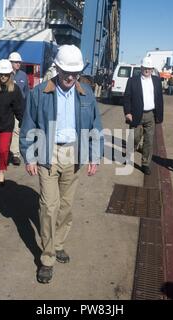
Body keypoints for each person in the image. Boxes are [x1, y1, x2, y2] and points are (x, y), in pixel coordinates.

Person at [20, 44, 103, 284]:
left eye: (75, 72)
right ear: (56, 68)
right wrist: (29, 156)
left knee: (66, 206)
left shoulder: (86, 93)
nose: (70, 77)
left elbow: (95, 127)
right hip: (48, 152)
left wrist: (94, 156)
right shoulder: (39, 93)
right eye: (66, 71)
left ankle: (58, 244)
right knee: (49, 206)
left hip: (74, 154)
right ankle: (47, 258)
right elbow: (28, 126)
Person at [0, 59, 24, 184]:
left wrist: (23, 122)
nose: (3, 76)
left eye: (6, 74)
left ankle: (2, 171)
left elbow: (19, 109)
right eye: (1, 74)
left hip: (6, 125)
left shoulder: (15, 90)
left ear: (10, 74)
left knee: (2, 150)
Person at [123, 56, 164, 175]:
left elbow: (159, 99)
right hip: (136, 115)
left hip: (151, 114)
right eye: (145, 68)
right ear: (141, 68)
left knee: (149, 141)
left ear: (152, 69)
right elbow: (127, 98)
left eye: (149, 68)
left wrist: (159, 116)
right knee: (134, 138)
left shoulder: (156, 81)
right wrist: (128, 113)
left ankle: (145, 164)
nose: (147, 70)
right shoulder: (133, 81)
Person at [8, 52, 29, 167]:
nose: (18, 64)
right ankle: (5, 152)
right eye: (16, 62)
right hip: (6, 108)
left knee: (16, 130)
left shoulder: (23, 76)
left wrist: (26, 108)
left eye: (19, 62)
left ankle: (15, 155)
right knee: (6, 131)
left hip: (18, 108)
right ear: (10, 62)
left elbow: (26, 93)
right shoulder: (5, 74)